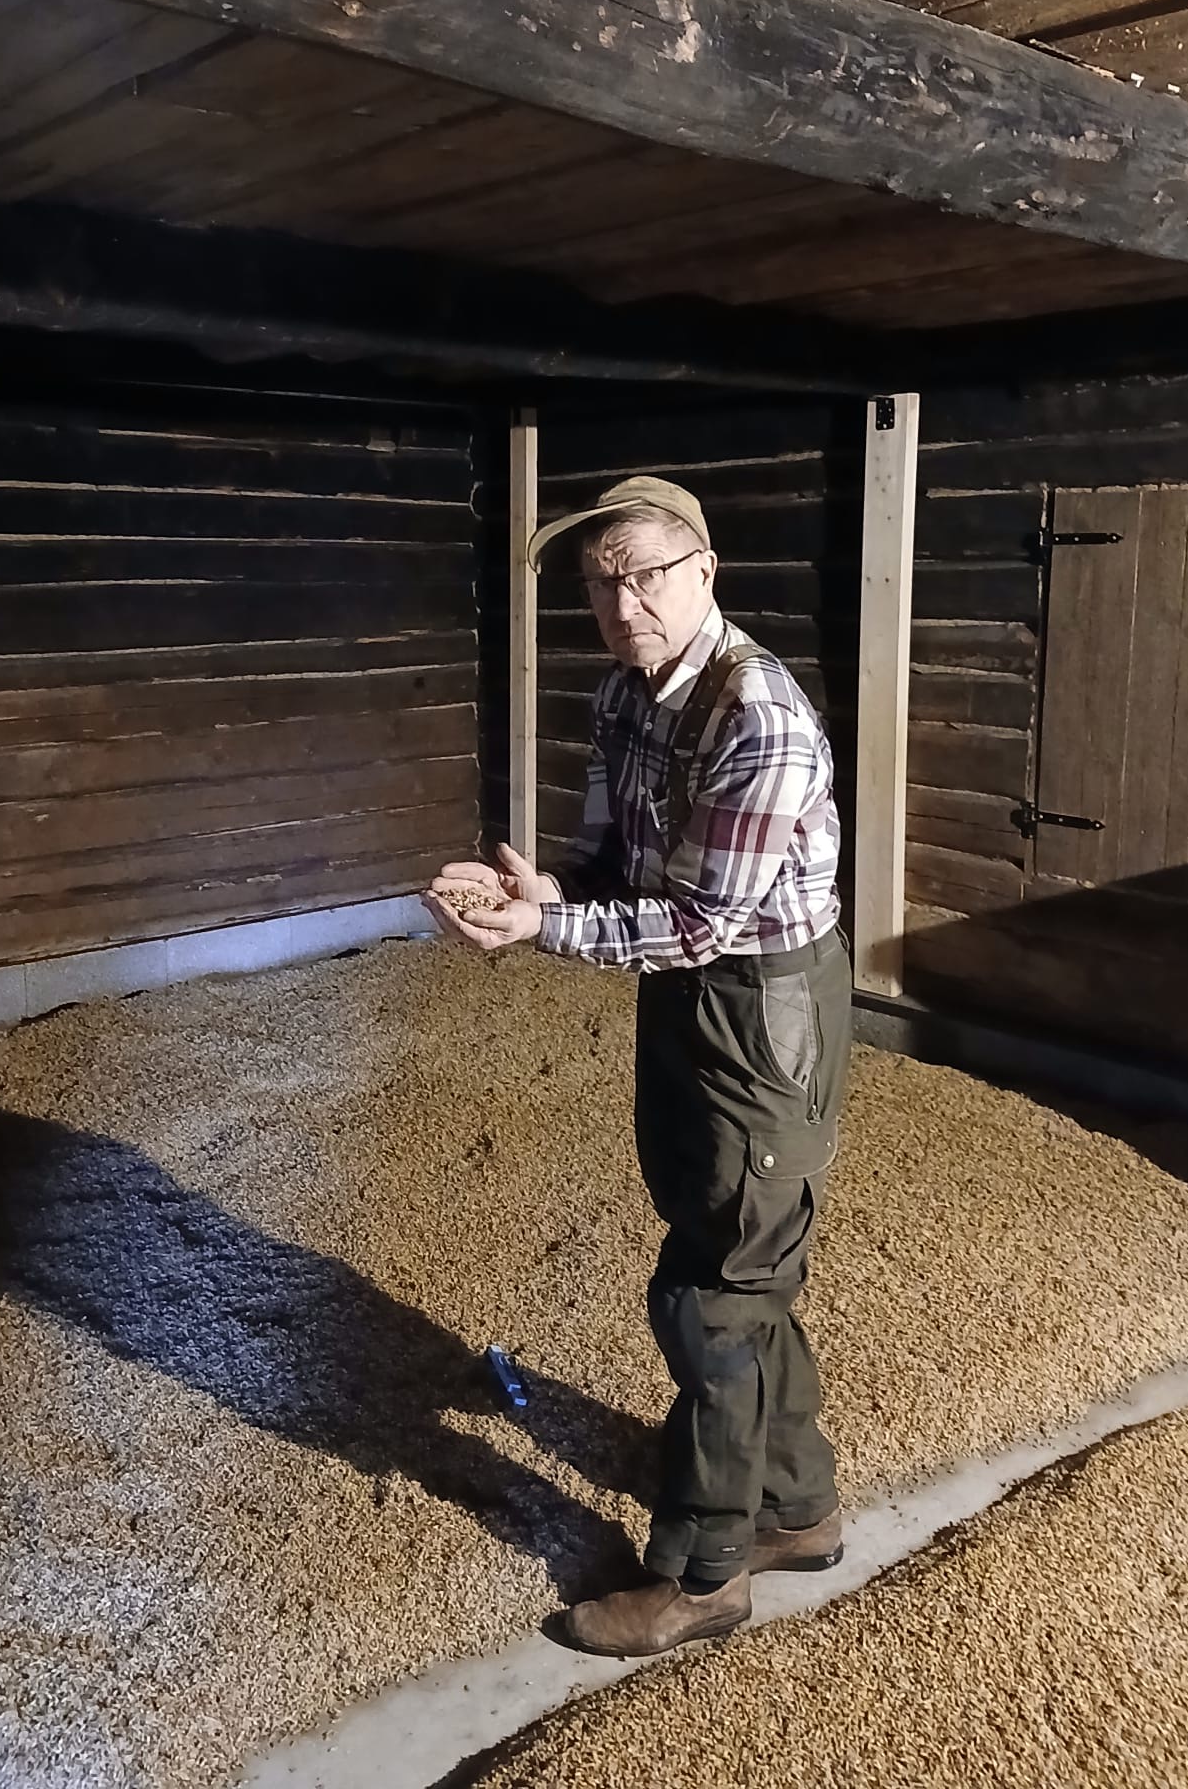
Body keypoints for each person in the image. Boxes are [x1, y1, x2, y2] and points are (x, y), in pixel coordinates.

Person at [424, 474, 851, 1658]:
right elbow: (614, 864)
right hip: (682, 990)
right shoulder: (622, 694)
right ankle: (800, 1508)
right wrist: (538, 890)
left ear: (704, 571)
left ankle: (706, 1572)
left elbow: (703, 921)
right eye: (601, 584)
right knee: (726, 1248)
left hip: (764, 1004)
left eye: (647, 575)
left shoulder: (758, 716)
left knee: (710, 1298)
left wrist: (543, 931)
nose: (623, 604)